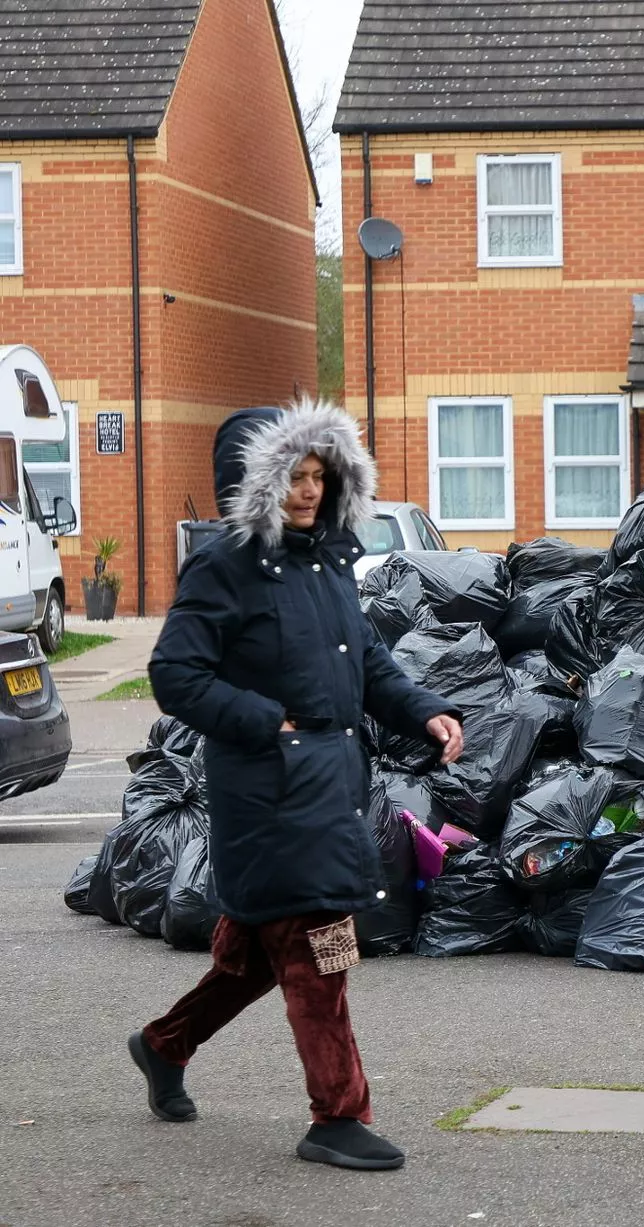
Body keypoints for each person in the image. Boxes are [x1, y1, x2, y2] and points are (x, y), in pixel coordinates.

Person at [129, 400, 464, 1171]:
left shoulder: (328, 561)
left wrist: (427, 713)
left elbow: (368, 663)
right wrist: (261, 719)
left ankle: (162, 1045)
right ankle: (338, 1115)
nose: (309, 490)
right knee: (321, 947)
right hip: (269, 794)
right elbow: (174, 673)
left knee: (252, 956)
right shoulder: (225, 566)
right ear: (256, 482)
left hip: (329, 787)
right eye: (293, 476)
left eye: (319, 474)